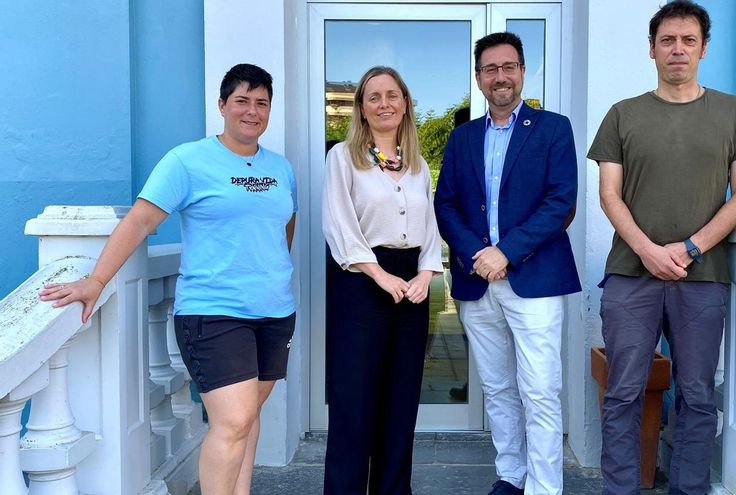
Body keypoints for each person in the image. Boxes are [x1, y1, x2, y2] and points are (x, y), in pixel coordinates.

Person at [40, 64, 298, 495]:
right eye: (242, 101)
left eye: (261, 103)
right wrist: (96, 281)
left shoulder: (280, 169)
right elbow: (141, 221)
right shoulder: (187, 160)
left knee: (246, 416)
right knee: (233, 420)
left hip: (274, 311)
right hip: (213, 313)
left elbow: (283, 227)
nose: (252, 111)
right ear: (222, 105)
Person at [587, 2, 736, 494]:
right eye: (667, 40)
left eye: (688, 40)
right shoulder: (622, 115)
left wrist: (690, 247)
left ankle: (688, 489)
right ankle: (620, 488)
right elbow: (609, 194)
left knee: (697, 395)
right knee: (624, 392)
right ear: (651, 49)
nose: (677, 50)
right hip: (631, 273)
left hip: (703, 277)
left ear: (704, 49)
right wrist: (648, 250)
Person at [434, 32, 581, 495]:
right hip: (477, 280)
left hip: (534, 278)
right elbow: (446, 205)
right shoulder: (462, 138)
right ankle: (511, 475)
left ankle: (544, 487)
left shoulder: (554, 128)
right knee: (497, 387)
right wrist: (478, 256)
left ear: (522, 71)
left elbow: (561, 202)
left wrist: (507, 252)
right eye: (490, 69)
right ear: (479, 78)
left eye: (509, 67)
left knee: (539, 390)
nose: (500, 76)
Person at [322, 66, 442, 495]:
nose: (384, 103)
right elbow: (339, 223)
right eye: (373, 96)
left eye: (393, 95)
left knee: (400, 400)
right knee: (355, 402)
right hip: (360, 283)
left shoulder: (417, 165)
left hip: (412, 287)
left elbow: (430, 228)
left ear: (406, 103)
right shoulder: (342, 157)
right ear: (361, 108)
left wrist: (426, 274)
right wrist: (378, 274)